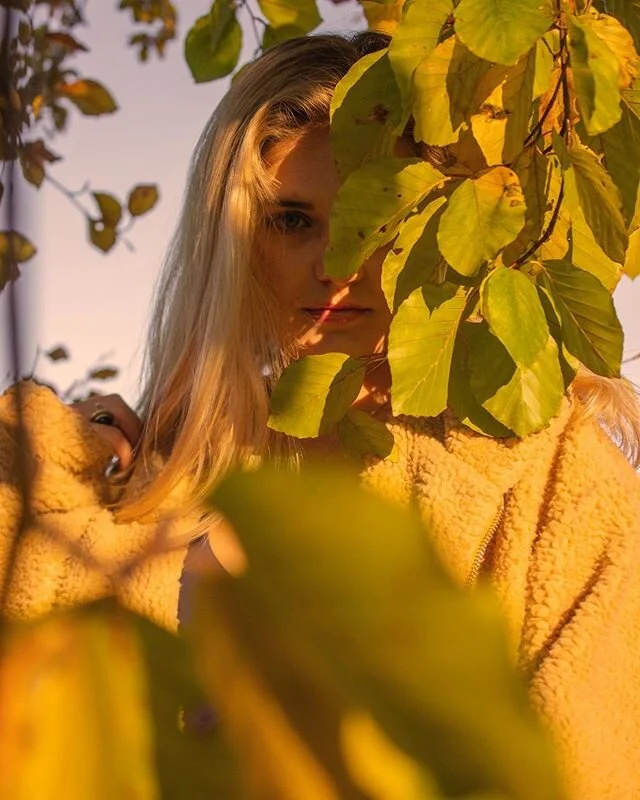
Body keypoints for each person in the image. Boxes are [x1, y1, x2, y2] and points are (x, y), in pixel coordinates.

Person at [1, 31, 639, 800]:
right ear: (232, 242)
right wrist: (55, 453)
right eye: (292, 220)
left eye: (378, 217)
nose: (336, 264)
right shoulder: (157, 485)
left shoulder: (547, 483)